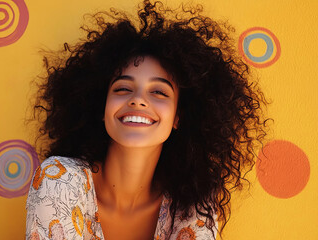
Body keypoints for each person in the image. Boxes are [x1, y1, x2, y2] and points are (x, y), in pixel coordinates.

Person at [26, 1, 269, 239]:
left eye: (159, 92)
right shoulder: (59, 180)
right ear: (100, 108)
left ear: (178, 117)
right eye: (122, 89)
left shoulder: (194, 203)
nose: (138, 100)